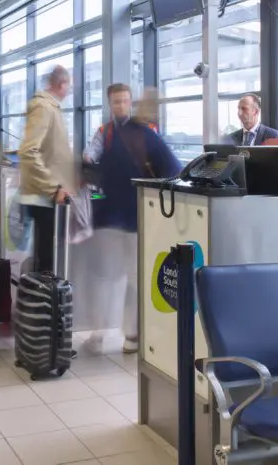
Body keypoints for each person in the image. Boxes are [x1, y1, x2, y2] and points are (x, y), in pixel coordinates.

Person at [83, 84, 180, 354]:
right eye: (116, 102)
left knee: (129, 278)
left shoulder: (146, 135)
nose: (121, 107)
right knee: (111, 277)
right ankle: (105, 331)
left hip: (134, 218)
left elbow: (172, 170)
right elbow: (90, 160)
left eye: (125, 101)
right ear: (109, 103)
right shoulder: (106, 133)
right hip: (112, 218)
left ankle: (131, 334)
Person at [18, 66, 75, 273]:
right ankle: (41, 303)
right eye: (69, 85)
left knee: (48, 258)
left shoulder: (51, 107)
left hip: (47, 195)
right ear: (62, 84)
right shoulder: (44, 108)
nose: (69, 91)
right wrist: (54, 187)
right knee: (46, 262)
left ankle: (43, 301)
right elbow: (29, 151)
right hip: (44, 196)